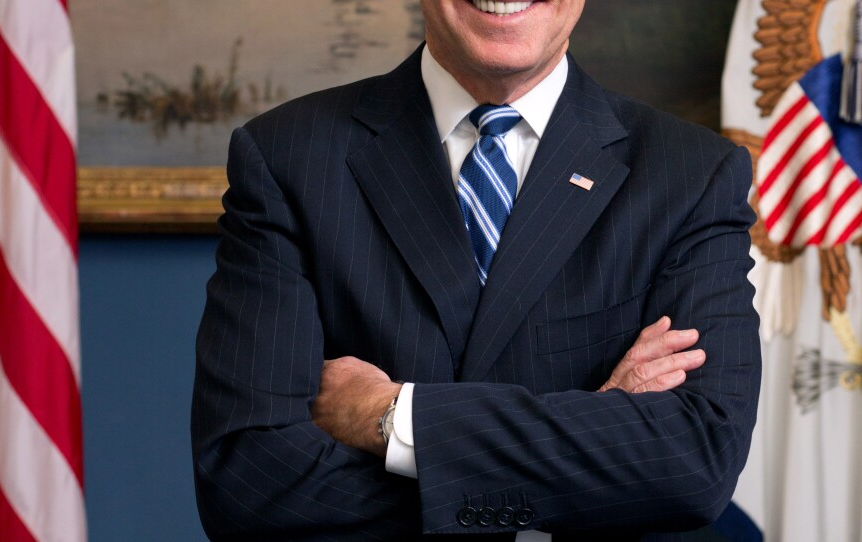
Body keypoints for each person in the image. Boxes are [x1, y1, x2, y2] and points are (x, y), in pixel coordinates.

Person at [191, 0, 761, 540]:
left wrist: (394, 418)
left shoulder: (691, 175)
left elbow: (694, 461)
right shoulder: (288, 157)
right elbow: (247, 479)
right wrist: (593, 453)